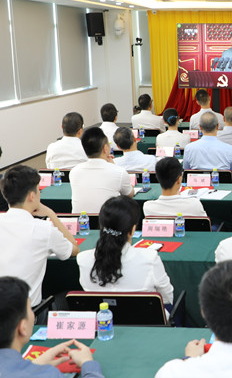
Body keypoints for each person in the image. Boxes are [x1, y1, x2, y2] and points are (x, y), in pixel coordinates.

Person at [0, 166, 79, 306]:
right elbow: (74, 249)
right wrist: (51, 214)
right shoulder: (43, 229)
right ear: (32, 196)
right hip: (27, 312)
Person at [0, 276, 104, 378]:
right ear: (22, 328)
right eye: (30, 310)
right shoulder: (49, 374)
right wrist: (88, 364)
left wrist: (35, 365)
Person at [77, 196, 174, 305]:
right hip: (144, 316)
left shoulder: (82, 259)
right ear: (132, 229)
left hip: (102, 315)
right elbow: (167, 299)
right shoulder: (150, 259)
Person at [70, 127, 134, 213]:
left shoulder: (74, 172)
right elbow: (129, 194)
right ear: (105, 148)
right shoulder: (119, 172)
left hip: (82, 220)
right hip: (108, 220)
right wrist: (114, 166)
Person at [183, 112, 232, 182]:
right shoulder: (230, 149)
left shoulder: (189, 148)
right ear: (217, 126)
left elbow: (187, 171)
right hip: (223, 187)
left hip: (197, 186)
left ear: (200, 127)